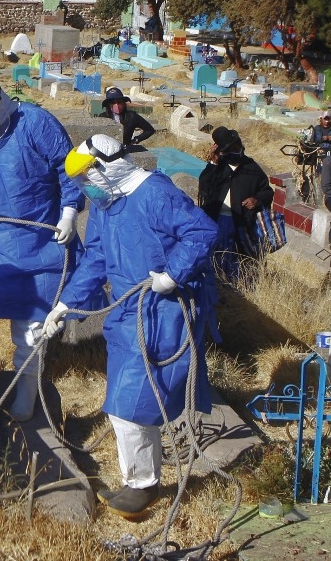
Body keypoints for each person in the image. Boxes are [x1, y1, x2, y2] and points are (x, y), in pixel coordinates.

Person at [43, 133, 218, 520]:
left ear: (108, 168)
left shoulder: (155, 194)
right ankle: (138, 478)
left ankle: (143, 485)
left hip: (162, 312)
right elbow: (96, 260)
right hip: (127, 318)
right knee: (129, 404)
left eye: (88, 178)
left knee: (130, 405)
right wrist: (65, 306)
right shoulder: (107, 203)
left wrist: (172, 275)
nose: (85, 188)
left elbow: (202, 232)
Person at [0, 75, 84, 422]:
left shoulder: (35, 123)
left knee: (32, 322)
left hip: (40, 240)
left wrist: (69, 212)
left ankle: (27, 383)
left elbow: (68, 168)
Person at [197, 127, 274, 274]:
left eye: (236, 147)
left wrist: (256, 200)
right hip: (217, 221)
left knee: (238, 258)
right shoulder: (218, 168)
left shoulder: (252, 168)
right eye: (229, 149)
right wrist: (213, 164)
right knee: (215, 256)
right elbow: (204, 184)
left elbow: (267, 191)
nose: (235, 151)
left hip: (241, 223)